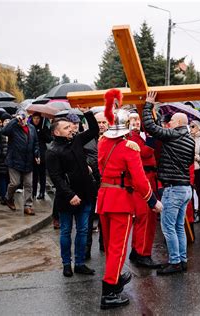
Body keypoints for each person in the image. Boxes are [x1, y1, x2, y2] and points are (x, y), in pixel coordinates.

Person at [97, 89, 162, 309]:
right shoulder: (129, 147)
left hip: (104, 197)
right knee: (117, 248)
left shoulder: (102, 142)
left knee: (109, 245)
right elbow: (141, 180)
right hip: (120, 200)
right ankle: (109, 292)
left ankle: (113, 279)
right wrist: (153, 201)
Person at [143, 91, 194, 275]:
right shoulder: (188, 139)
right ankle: (182, 260)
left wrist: (148, 104)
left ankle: (174, 262)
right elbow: (188, 162)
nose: (169, 123)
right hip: (185, 188)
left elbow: (150, 126)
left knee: (168, 227)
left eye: (171, 121)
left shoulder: (173, 135)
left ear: (179, 123)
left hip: (173, 189)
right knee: (179, 226)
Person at [46, 110, 98, 278]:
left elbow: (93, 131)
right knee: (66, 231)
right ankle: (67, 264)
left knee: (83, 230)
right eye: (67, 127)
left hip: (86, 194)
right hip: (66, 199)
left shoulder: (76, 140)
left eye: (71, 126)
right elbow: (56, 178)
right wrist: (70, 195)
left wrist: (88, 114)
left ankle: (80, 263)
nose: (71, 129)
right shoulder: (52, 151)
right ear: (56, 132)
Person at [126, 111, 162, 268]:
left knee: (145, 218)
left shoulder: (140, 135)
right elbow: (145, 152)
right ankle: (143, 253)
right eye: (132, 119)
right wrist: (152, 138)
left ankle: (136, 250)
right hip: (143, 180)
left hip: (149, 178)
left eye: (138, 119)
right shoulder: (131, 137)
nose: (136, 122)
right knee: (146, 217)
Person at [2, 109, 39, 216]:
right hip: (14, 160)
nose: (23, 119)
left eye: (24, 117)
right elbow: (4, 131)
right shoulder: (13, 127)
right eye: (21, 117)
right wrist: (14, 120)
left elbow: (35, 143)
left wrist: (37, 154)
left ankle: (28, 206)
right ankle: (8, 198)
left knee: (28, 184)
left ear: (28, 117)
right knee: (15, 183)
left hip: (28, 161)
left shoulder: (32, 128)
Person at [83, 111, 109, 258]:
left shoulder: (113, 138)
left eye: (103, 122)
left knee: (104, 216)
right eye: (98, 122)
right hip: (90, 183)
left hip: (107, 183)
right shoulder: (85, 139)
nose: (101, 125)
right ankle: (86, 249)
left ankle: (103, 244)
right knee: (88, 216)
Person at [30, 112, 52, 200]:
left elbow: (49, 139)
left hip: (42, 152)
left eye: (38, 118)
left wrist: (44, 133)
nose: (36, 120)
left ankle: (42, 192)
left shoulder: (44, 127)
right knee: (34, 174)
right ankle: (33, 191)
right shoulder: (30, 127)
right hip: (32, 153)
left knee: (42, 174)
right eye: (34, 118)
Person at [190, 120, 200, 222]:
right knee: (190, 191)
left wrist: (195, 156)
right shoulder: (189, 137)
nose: (191, 128)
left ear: (199, 127)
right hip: (190, 168)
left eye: (193, 126)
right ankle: (192, 211)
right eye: (190, 126)